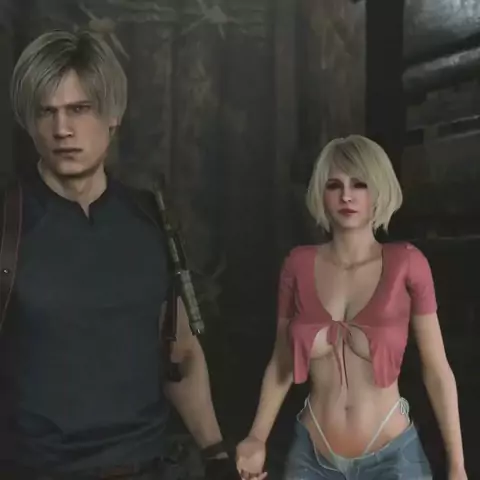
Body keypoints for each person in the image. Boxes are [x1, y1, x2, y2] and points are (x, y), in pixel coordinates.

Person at [0, 29, 239, 479]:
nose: (62, 129)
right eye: (46, 112)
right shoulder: (8, 224)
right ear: (28, 122)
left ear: (112, 116)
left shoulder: (149, 218)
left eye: (79, 109)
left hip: (145, 466)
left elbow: (181, 353)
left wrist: (216, 455)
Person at [236, 135, 467, 480]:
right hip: (312, 457)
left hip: (393, 457)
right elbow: (281, 361)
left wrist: (457, 465)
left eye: (359, 184)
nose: (346, 195)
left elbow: (437, 369)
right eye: (335, 185)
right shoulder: (298, 264)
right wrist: (257, 437)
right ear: (321, 193)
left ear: (379, 189)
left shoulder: (407, 262)